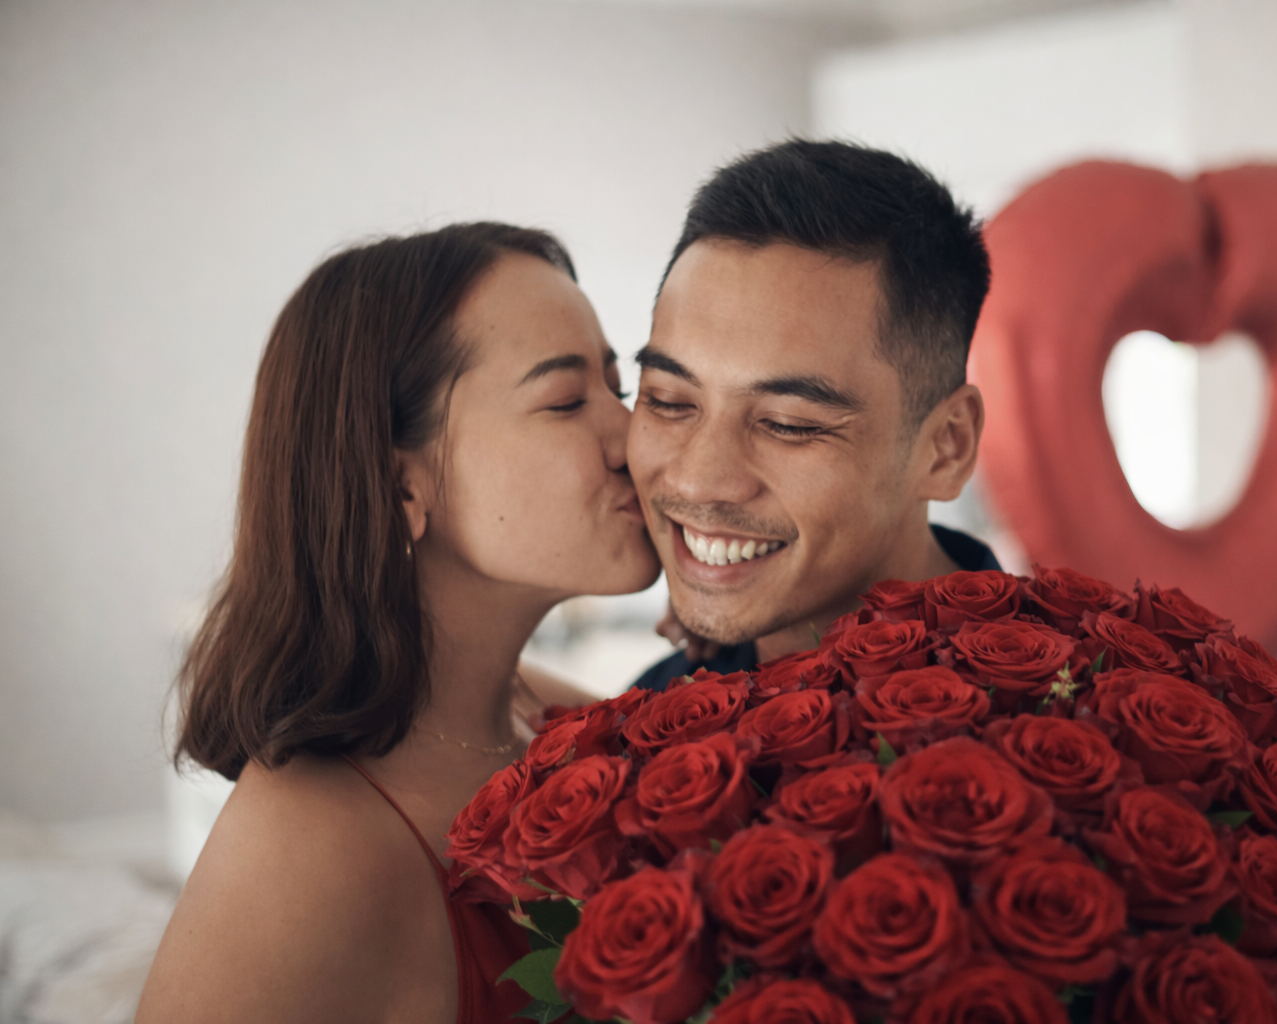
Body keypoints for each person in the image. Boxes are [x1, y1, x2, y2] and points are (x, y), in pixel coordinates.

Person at [137, 224, 659, 1023]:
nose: (632, 437)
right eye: (564, 400)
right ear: (397, 484)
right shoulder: (306, 852)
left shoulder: (554, 716)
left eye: (617, 387)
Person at [629, 139, 996, 692]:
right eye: (669, 402)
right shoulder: (653, 706)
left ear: (947, 446)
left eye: (788, 425)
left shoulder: (1088, 715)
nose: (698, 481)